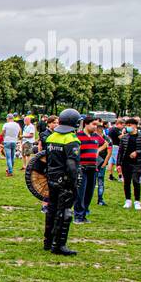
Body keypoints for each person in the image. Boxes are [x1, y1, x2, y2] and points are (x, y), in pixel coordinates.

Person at [43, 109, 82, 255]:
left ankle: (48, 241)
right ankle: (59, 245)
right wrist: (74, 184)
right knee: (65, 211)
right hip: (65, 181)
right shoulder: (71, 140)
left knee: (51, 210)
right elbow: (72, 166)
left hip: (52, 178)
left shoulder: (52, 137)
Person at [74, 118, 104, 223]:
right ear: (86, 124)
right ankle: (78, 216)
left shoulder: (96, 137)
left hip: (93, 168)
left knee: (89, 193)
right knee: (80, 193)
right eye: (93, 124)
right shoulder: (78, 136)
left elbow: (105, 143)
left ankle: (84, 214)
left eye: (97, 125)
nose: (95, 127)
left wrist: (97, 151)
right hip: (82, 168)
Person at [117, 118, 141, 209]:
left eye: (130, 125)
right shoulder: (124, 138)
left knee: (136, 181)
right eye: (127, 125)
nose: (128, 127)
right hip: (125, 162)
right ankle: (128, 200)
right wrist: (118, 163)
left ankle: (137, 201)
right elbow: (120, 151)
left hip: (137, 163)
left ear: (135, 126)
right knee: (126, 182)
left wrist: (137, 152)